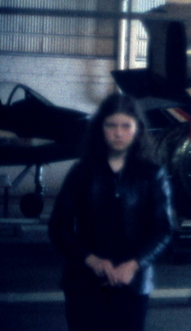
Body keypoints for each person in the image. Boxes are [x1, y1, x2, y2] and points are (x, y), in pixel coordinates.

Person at [49, 94, 174, 331]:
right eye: (111, 125)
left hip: (133, 284)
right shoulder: (82, 171)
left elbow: (163, 229)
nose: (118, 133)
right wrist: (90, 259)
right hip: (83, 283)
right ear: (100, 129)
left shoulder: (152, 174)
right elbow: (58, 227)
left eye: (126, 126)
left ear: (137, 129)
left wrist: (134, 264)